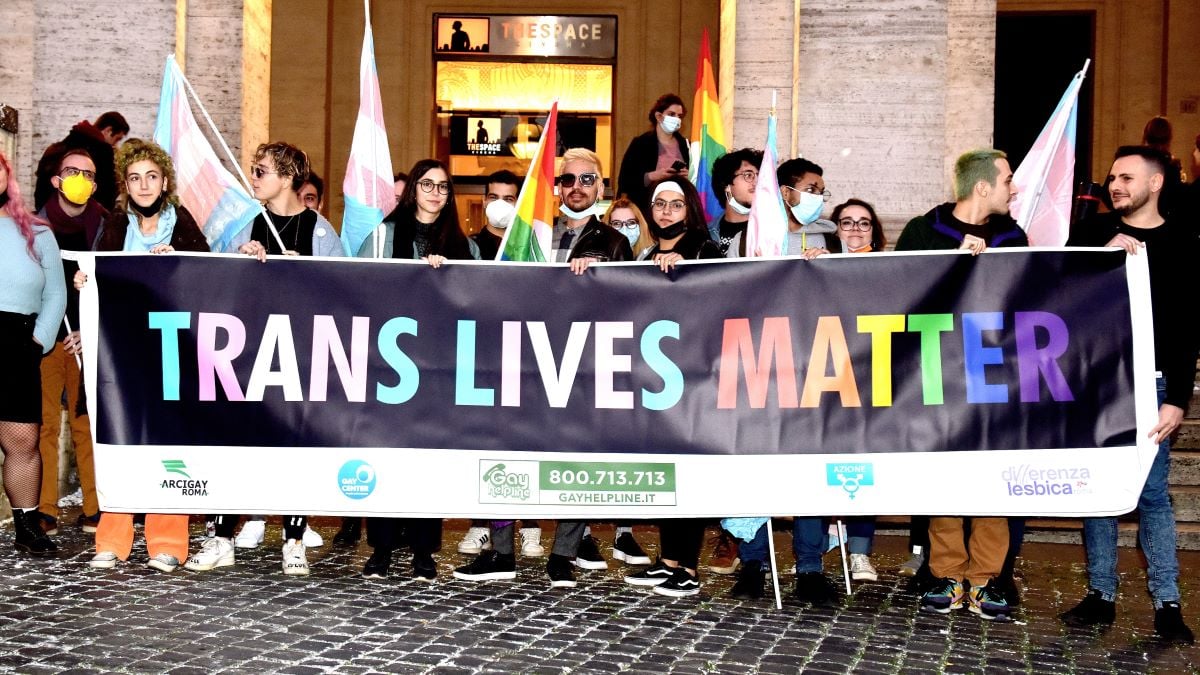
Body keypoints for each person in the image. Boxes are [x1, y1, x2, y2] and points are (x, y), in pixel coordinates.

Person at [1060, 145, 1198, 645]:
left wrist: (1176, 398)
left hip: (1153, 382)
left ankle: (1167, 603)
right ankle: (1101, 595)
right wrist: (1099, 258)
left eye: (1125, 177)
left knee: (1153, 493)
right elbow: (1058, 293)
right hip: (1099, 379)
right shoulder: (1092, 233)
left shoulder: (1183, 243)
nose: (1113, 185)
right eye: (1111, 177)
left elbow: (1186, 328)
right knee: (1100, 491)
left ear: (1156, 183)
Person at [190, 142, 343, 577]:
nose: (254, 177)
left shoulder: (318, 230)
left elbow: (345, 290)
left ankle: (294, 539)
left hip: (300, 354)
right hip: (251, 353)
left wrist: (306, 273)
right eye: (254, 170)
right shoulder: (248, 225)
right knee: (237, 443)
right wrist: (240, 263)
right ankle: (222, 536)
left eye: (261, 170)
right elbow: (218, 287)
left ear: (288, 176)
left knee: (296, 446)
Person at [895, 148, 1026, 622]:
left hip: (993, 372)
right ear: (983, 187)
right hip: (937, 371)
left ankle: (989, 578)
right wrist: (953, 262)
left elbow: (1023, 297)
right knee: (945, 475)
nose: (1015, 187)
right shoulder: (922, 230)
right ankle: (948, 572)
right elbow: (899, 291)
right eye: (1008, 179)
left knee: (992, 476)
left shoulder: (1013, 237)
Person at [72, 139, 207, 572]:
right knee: (120, 438)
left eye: (151, 177)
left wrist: (180, 262)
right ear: (126, 186)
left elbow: (207, 276)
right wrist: (84, 282)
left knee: (167, 444)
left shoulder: (182, 223)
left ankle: (167, 539)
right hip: (123, 351)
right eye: (135, 178)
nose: (144, 185)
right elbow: (98, 272)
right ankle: (113, 537)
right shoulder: (114, 224)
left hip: (170, 352)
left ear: (164, 181)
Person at [359, 158, 479, 582]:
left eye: (443, 187)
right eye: (426, 184)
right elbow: (356, 288)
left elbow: (479, 300)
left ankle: (425, 550)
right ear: (411, 190)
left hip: (439, 369)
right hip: (390, 367)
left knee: (430, 461)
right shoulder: (382, 237)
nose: (435, 192)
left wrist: (449, 279)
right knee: (388, 458)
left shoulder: (467, 246)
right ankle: (383, 548)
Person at [618, 178, 721, 597]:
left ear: (689, 210)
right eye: (659, 203)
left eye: (675, 204)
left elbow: (722, 293)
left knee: (690, 472)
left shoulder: (705, 249)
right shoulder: (643, 253)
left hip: (693, 378)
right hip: (652, 381)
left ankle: (689, 569)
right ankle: (668, 560)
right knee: (666, 473)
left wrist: (690, 272)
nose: (666, 211)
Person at [36, 148, 107, 536]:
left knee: (87, 424)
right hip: (47, 339)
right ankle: (43, 507)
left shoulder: (106, 225)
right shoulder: (34, 225)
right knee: (44, 425)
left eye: (88, 173)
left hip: (89, 340)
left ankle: (96, 507)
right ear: (56, 179)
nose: (80, 177)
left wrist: (90, 328)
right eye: (72, 171)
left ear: (94, 185)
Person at [0, 149, 66, 555]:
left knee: (22, 438)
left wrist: (38, 339)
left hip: (17, 341)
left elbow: (56, 293)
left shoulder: (38, 232)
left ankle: (26, 523)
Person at [35, 111, 128, 212]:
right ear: (108, 130)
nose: (115, 144)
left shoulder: (54, 149)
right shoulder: (103, 151)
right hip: (86, 219)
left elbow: (41, 191)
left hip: (49, 214)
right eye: (117, 139)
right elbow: (106, 193)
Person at [617, 94, 690, 215]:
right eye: (672, 114)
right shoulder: (640, 144)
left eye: (680, 116)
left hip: (678, 209)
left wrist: (690, 175)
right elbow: (625, 181)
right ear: (658, 116)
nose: (677, 119)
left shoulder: (686, 145)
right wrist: (652, 176)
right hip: (645, 210)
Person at [708, 148, 763, 255]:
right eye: (748, 175)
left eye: (759, 176)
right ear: (726, 185)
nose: (756, 182)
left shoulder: (770, 230)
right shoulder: (706, 232)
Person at [779, 158, 839, 256]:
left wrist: (828, 264)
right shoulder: (757, 238)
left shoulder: (834, 244)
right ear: (785, 192)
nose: (818, 198)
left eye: (821, 193)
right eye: (811, 190)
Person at [470, 169, 521, 261]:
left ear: (519, 204)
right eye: (493, 197)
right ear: (484, 201)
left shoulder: (526, 247)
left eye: (508, 199)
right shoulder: (469, 246)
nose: (500, 204)